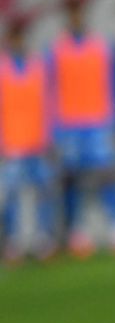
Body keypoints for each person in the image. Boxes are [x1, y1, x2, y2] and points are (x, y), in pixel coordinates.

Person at [51, 0, 115, 257]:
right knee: (73, 181)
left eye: (79, 11)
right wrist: (54, 130)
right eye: (71, 12)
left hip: (99, 123)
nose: (76, 17)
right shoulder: (56, 51)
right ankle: (78, 232)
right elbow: (50, 92)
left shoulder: (102, 48)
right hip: (69, 125)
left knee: (109, 176)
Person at [1, 18, 57, 265]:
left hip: (37, 141)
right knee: (10, 194)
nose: (18, 42)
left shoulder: (38, 66)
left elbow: (49, 103)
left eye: (22, 36)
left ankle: (43, 239)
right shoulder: (2, 69)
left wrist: (50, 136)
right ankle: (13, 242)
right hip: (11, 143)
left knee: (44, 191)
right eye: (15, 37)